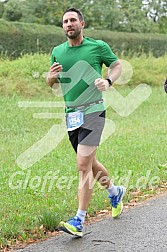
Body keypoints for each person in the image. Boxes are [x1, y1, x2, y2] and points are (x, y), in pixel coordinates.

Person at [46, 7, 126, 237]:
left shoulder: (97, 46)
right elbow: (52, 82)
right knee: (90, 163)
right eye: (65, 21)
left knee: (82, 165)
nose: (69, 24)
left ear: (82, 23)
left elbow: (117, 65)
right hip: (71, 114)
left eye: (73, 20)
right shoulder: (57, 51)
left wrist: (109, 81)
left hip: (94, 111)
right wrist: (50, 77)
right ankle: (114, 192)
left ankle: (79, 220)